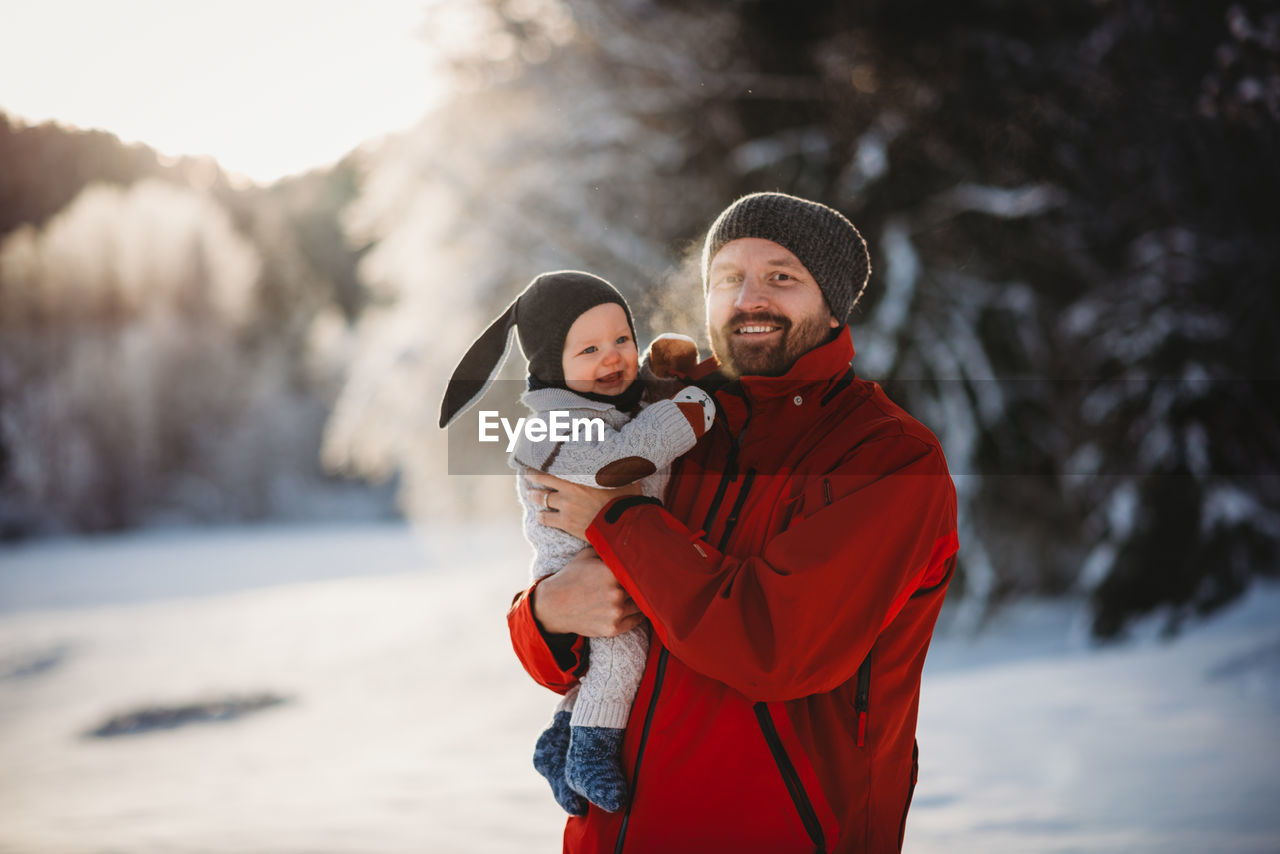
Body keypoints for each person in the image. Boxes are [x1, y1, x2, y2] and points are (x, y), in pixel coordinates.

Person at [508, 193, 959, 853]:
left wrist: (621, 518)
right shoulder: (677, 415)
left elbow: (773, 646)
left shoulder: (889, 459)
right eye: (727, 278)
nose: (749, 298)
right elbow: (562, 618)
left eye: (781, 276)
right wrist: (546, 614)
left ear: (832, 302)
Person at [438, 271, 715, 816]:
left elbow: (636, 426)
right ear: (548, 366)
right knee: (624, 650)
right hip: (584, 568)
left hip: (618, 557)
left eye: (621, 341)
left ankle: (560, 740)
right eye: (588, 348)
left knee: (605, 662)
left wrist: (669, 381)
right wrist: (689, 410)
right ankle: (592, 749)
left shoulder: (606, 409)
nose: (611, 358)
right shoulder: (553, 426)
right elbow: (620, 464)